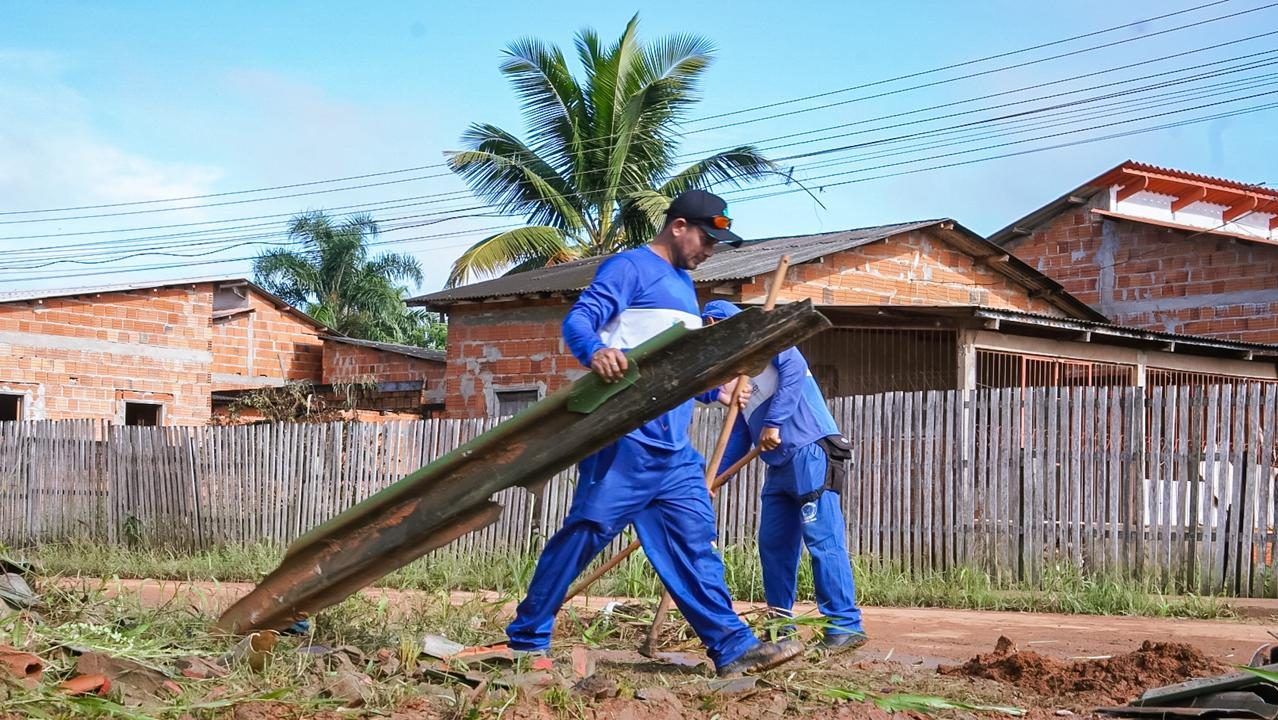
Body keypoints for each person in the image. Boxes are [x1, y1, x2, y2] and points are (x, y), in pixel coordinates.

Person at [504, 190, 804, 677]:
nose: (710, 251)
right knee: (586, 533)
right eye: (707, 239)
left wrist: (714, 392)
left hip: (673, 449)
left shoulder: (686, 288)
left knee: (696, 542)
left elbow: (672, 370)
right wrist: (596, 351)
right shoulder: (631, 268)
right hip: (626, 440)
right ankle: (527, 637)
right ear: (679, 225)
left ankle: (732, 647)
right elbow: (579, 320)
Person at [702, 299, 868, 653]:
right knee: (773, 546)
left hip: (811, 451)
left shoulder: (770, 343)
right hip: (778, 466)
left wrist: (775, 422)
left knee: (822, 540)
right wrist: (713, 479)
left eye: (715, 327)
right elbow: (738, 435)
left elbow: (794, 371)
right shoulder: (738, 379)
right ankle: (780, 629)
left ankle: (844, 626)